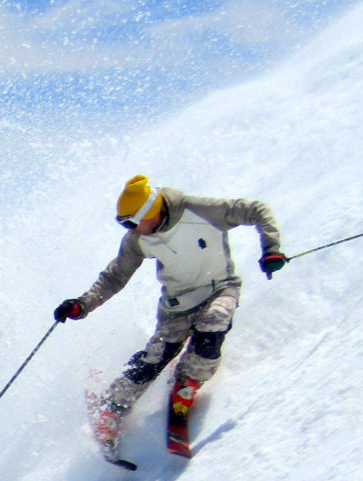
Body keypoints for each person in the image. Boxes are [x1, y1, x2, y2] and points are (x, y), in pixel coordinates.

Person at [54, 175, 285, 452]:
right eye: (126, 224)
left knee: (213, 324)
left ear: (150, 212)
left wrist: (271, 249)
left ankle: (185, 384)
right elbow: (115, 276)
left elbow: (257, 210)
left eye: (132, 222)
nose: (132, 229)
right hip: (177, 305)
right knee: (156, 356)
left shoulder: (198, 210)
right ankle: (112, 407)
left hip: (220, 288)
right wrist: (83, 304)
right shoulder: (138, 239)